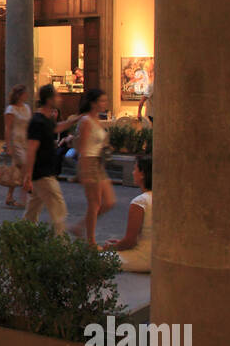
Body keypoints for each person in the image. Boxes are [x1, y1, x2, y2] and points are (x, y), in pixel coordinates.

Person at [69, 87, 117, 245]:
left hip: (97, 162)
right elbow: (82, 148)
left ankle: (79, 227)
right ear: (93, 103)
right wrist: (82, 171)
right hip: (89, 162)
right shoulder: (86, 121)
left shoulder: (96, 119)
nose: (105, 103)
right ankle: (91, 241)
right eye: (102, 100)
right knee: (94, 204)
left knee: (109, 201)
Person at [21, 85, 68, 232]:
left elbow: (56, 128)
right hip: (42, 174)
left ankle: (20, 237)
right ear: (49, 99)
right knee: (59, 208)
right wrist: (27, 176)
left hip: (43, 172)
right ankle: (60, 245)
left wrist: (75, 120)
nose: (59, 99)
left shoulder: (47, 119)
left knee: (32, 211)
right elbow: (31, 149)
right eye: (56, 96)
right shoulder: (37, 121)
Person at [103, 156, 153, 272]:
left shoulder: (140, 202)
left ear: (142, 174)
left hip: (144, 258)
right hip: (158, 256)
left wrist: (110, 248)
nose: (133, 172)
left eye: (135, 169)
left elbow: (130, 241)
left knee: (97, 259)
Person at [0, 84, 31, 207]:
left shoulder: (27, 108)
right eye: (24, 93)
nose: (27, 95)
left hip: (26, 139)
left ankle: (10, 196)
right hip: (16, 140)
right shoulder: (11, 109)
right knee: (24, 165)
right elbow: (8, 128)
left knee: (17, 169)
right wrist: (8, 145)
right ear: (19, 95)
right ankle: (25, 195)